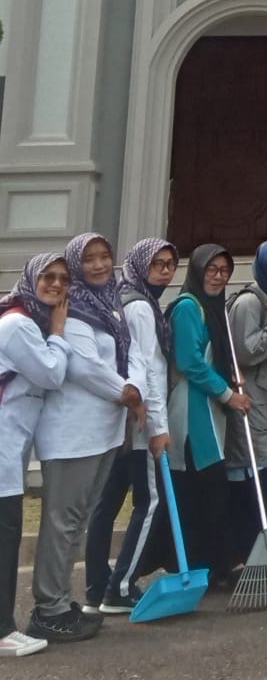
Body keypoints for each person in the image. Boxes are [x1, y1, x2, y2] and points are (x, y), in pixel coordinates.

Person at [30, 234, 141, 643]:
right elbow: (83, 367)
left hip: (101, 433)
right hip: (72, 434)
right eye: (89, 259)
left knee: (75, 522)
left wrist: (132, 391)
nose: (98, 265)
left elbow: (125, 359)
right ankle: (48, 608)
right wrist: (127, 393)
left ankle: (61, 600)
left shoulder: (109, 307)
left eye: (105, 257)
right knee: (62, 523)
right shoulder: (72, 308)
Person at [85, 239, 176, 616]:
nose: (166, 271)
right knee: (150, 501)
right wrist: (158, 426)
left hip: (122, 421)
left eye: (170, 264)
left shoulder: (124, 298)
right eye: (157, 264)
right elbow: (149, 370)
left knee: (107, 503)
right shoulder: (139, 307)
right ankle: (119, 589)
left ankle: (95, 586)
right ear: (140, 266)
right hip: (140, 422)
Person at [0, 254, 71, 656]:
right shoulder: (19, 325)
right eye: (48, 277)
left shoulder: (28, 323)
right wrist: (59, 333)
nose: (56, 285)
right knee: (5, 538)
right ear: (30, 279)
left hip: (10, 449)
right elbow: (52, 374)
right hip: (3, 448)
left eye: (63, 279)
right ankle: (3, 630)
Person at [167, 245, 249, 588]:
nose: (218, 276)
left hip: (210, 406)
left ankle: (214, 564)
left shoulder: (214, 308)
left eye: (224, 270)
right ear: (198, 271)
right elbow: (189, 362)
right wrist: (229, 394)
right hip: (192, 408)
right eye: (211, 269)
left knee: (209, 489)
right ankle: (214, 564)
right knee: (207, 486)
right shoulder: (189, 307)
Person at [226, 240, 267, 549]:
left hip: (264, 401)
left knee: (255, 475)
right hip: (248, 402)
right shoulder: (250, 303)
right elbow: (246, 351)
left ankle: (249, 550)